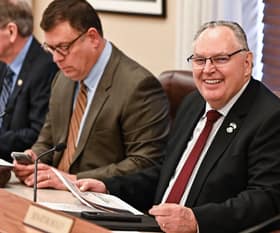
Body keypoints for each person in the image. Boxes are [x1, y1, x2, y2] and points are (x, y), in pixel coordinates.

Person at [76, 21, 280, 233]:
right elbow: (167, 175)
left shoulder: (274, 119)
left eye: (221, 59)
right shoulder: (193, 102)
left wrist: (196, 220)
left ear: (247, 63)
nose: (208, 69)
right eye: (200, 60)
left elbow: (267, 200)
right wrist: (108, 187)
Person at [13, 0, 169, 190]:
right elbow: (48, 139)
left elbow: (145, 163)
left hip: (101, 202)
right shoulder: (63, 78)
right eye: (51, 48)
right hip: (52, 193)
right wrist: (32, 158)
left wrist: (72, 179)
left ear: (93, 38)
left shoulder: (138, 86)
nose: (56, 59)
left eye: (63, 47)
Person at [0, 0, 58, 162]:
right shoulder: (3, 61)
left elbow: (37, 133)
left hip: (19, 168)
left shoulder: (46, 67)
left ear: (11, 31)